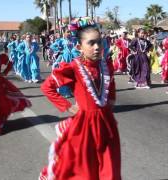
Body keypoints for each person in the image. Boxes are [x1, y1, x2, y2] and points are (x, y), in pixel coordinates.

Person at [39, 17, 121, 180]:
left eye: (99, 42)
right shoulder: (73, 67)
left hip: (106, 123)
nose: (97, 47)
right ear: (79, 47)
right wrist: (68, 106)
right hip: (84, 126)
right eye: (91, 43)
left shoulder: (105, 65)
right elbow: (47, 87)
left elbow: (110, 82)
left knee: (110, 169)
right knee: (85, 171)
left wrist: (111, 99)